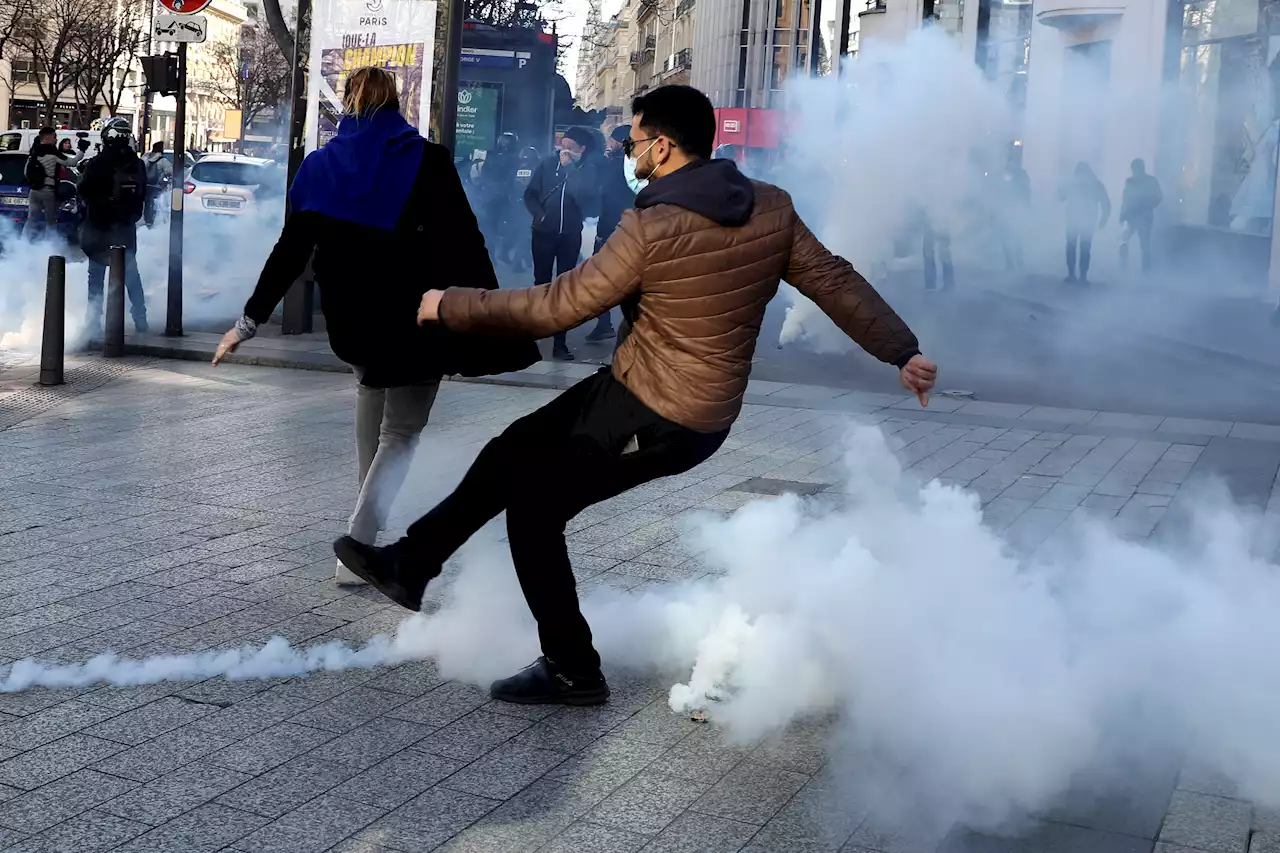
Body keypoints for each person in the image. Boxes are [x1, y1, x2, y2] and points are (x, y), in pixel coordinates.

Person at [335, 84, 937, 707]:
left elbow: (557, 306)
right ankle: (413, 563)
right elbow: (833, 278)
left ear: (666, 146)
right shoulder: (771, 207)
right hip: (655, 392)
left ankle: (572, 669)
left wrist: (449, 304)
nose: (628, 148)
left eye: (635, 137)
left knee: (534, 511)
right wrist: (903, 349)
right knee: (509, 449)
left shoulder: (652, 225)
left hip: (659, 413)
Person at [212, 66, 537, 586]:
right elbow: (463, 239)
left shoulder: (320, 165)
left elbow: (290, 250)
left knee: (373, 395)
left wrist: (247, 322)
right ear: (396, 103)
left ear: (348, 103)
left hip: (353, 319)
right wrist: (488, 311)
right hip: (417, 315)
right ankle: (356, 550)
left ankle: (365, 531)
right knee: (402, 431)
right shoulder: (426, 160)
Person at [524, 126, 600, 361]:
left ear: (582, 149)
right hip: (543, 233)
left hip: (569, 235)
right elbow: (530, 194)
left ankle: (560, 342)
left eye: (570, 147)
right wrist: (539, 215)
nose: (564, 151)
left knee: (564, 285)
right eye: (562, 146)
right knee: (541, 283)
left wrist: (571, 170)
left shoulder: (588, 169)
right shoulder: (547, 164)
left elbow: (585, 198)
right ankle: (535, 331)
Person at [78, 117, 148, 336]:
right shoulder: (137, 163)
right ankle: (141, 320)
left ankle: (93, 322)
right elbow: (143, 193)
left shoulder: (98, 163)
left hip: (99, 228)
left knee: (96, 278)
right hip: (125, 229)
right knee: (131, 276)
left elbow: (83, 191)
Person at [583, 124, 636, 344]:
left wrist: (603, 233)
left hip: (613, 230)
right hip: (631, 230)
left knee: (602, 279)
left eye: (612, 140)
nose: (609, 143)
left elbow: (608, 201)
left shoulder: (615, 167)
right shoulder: (636, 165)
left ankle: (607, 324)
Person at [1058, 161, 1110, 284]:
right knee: (1081, 248)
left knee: (1075, 248)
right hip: (1081, 220)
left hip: (1080, 220)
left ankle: (1076, 275)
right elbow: (1106, 204)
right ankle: (1079, 276)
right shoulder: (1094, 185)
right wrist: (1103, 218)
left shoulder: (1086, 184)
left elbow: (1060, 197)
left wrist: (1104, 219)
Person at [479, 132, 520, 264]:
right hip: (502, 197)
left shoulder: (491, 156)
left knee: (493, 228)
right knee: (498, 228)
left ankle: (496, 255)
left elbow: (484, 175)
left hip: (495, 197)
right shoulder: (513, 159)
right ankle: (497, 255)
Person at [22, 127, 69, 239]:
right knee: (51, 221)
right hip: (48, 191)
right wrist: (82, 150)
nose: (56, 140)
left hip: (34, 191)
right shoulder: (53, 153)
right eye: (54, 136)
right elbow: (72, 162)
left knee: (31, 220)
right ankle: (50, 246)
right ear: (48, 137)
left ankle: (23, 242)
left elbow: (26, 172)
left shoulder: (33, 153)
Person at [1119, 158, 1162, 272]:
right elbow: (1126, 198)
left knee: (1145, 247)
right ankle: (1123, 269)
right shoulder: (1130, 181)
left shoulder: (1151, 181)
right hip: (1131, 216)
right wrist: (1123, 214)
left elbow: (1158, 197)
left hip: (1144, 217)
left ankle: (1146, 272)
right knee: (1124, 243)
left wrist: (1149, 204)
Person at [142, 141, 173, 228]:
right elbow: (170, 172)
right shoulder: (163, 161)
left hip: (146, 186)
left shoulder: (145, 158)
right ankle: (156, 221)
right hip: (157, 186)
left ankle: (147, 220)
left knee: (148, 203)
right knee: (158, 203)